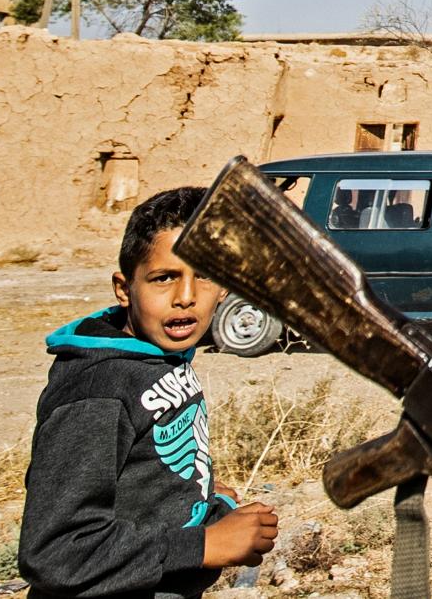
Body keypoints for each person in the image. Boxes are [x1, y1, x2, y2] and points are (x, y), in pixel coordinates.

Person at [18, 187, 277, 598]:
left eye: (205, 275)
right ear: (124, 288)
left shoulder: (159, 356)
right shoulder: (97, 392)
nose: (186, 296)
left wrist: (198, 497)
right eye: (164, 277)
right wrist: (206, 545)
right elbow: (55, 552)